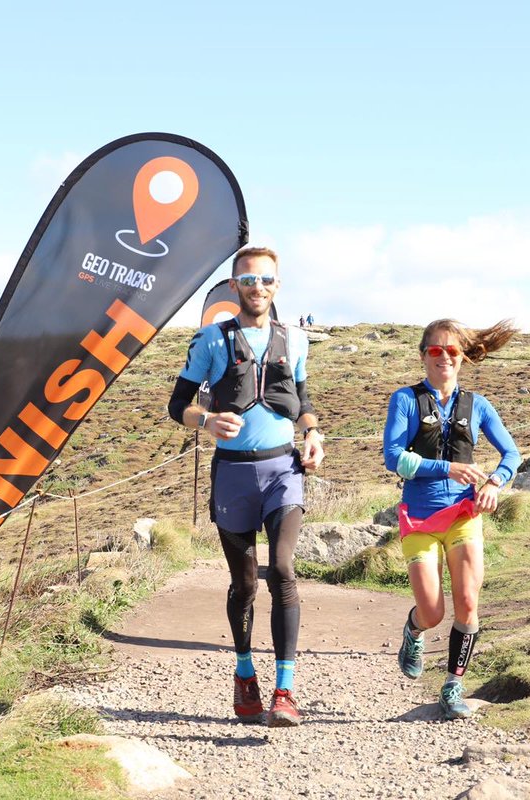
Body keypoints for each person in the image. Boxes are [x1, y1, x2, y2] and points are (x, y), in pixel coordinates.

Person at [168, 246, 325, 727]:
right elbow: (177, 405)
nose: (259, 287)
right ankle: (243, 672)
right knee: (245, 583)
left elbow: (302, 400)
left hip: (283, 471)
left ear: (278, 286)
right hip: (233, 476)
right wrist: (207, 420)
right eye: (249, 280)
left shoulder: (295, 340)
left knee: (281, 569)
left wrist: (314, 433)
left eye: (267, 280)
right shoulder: (210, 341)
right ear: (234, 286)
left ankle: (285, 690)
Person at [382, 318, 520, 720]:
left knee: (467, 601)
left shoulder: (477, 405)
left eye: (452, 351)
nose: (444, 357)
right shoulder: (405, 400)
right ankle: (413, 630)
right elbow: (394, 458)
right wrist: (447, 469)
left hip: (464, 515)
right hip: (419, 516)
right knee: (432, 611)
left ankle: (453, 685)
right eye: (435, 351)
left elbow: (511, 454)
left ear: (463, 358)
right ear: (423, 356)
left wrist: (495, 482)